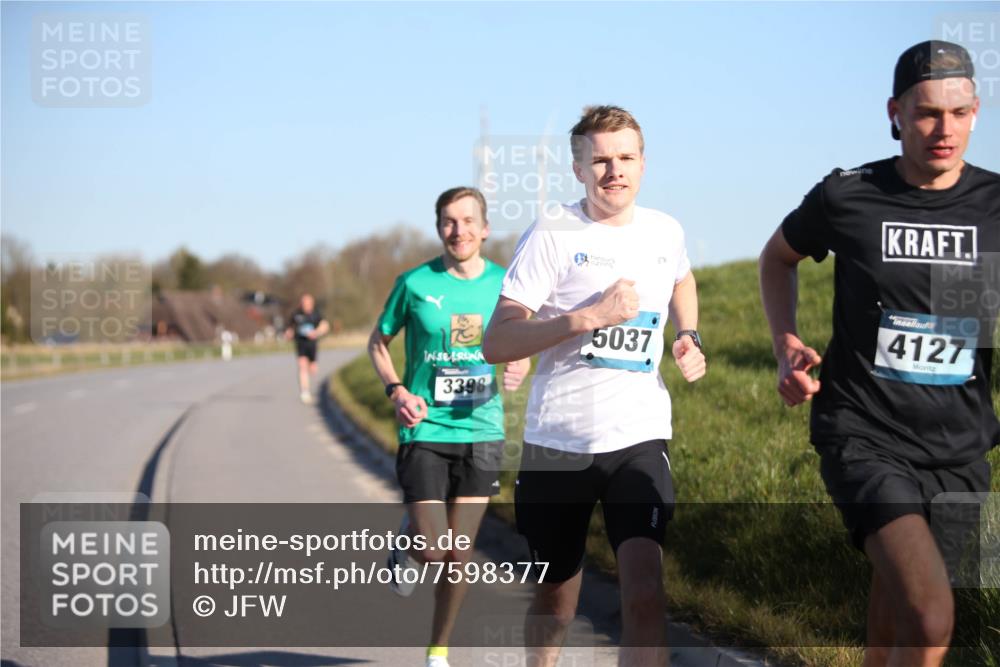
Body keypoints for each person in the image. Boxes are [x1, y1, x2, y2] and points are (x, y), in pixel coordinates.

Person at [759, 41, 997, 667]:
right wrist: (785, 343)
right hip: (865, 432)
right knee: (931, 616)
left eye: (958, 113)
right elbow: (777, 258)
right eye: (926, 113)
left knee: (898, 612)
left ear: (976, 112)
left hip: (960, 445)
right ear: (895, 113)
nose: (944, 129)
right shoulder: (849, 195)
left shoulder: (995, 205)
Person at [482, 105, 706, 667]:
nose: (614, 171)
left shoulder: (665, 230)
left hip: (638, 436)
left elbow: (682, 278)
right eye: (601, 161)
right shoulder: (554, 232)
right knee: (557, 600)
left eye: (626, 157)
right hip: (559, 443)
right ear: (579, 169)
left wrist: (688, 334)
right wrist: (587, 318)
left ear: (643, 163)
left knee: (646, 591)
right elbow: (498, 340)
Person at [368, 186, 530, 667]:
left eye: (467, 220)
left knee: (460, 554)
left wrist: (520, 361)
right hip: (426, 430)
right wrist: (397, 391)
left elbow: (523, 337)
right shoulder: (415, 283)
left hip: (482, 431)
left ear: (485, 228)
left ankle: (438, 651)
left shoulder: (507, 284)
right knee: (437, 548)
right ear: (439, 228)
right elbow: (378, 342)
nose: (458, 230)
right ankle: (411, 543)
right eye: (448, 221)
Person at [284, 293, 329, 403]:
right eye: (303, 303)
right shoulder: (296, 314)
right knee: (302, 367)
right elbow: (290, 328)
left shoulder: (316, 314)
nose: (305, 305)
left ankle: (313, 389)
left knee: (312, 369)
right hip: (301, 344)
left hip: (312, 345)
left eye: (308, 303)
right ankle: (305, 392)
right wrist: (288, 334)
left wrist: (316, 332)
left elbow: (325, 326)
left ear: (312, 304)